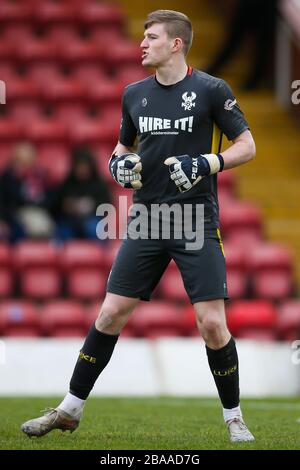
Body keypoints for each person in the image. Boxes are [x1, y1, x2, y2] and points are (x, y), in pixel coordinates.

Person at [21, 10, 256, 443]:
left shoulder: (210, 90)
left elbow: (247, 145)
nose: (142, 44)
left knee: (211, 325)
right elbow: (122, 147)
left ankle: (234, 418)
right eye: (142, 36)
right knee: (110, 313)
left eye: (151, 37)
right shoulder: (133, 94)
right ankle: (69, 410)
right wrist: (117, 164)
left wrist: (208, 162)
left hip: (195, 219)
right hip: (147, 218)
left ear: (176, 44)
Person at [52, 147, 111, 242]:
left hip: (92, 219)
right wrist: (67, 206)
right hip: (70, 220)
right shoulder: (67, 184)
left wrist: (91, 205)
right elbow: (56, 207)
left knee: (95, 229)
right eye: (79, 166)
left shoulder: (99, 184)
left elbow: (108, 207)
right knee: (61, 234)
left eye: (84, 166)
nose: (82, 170)